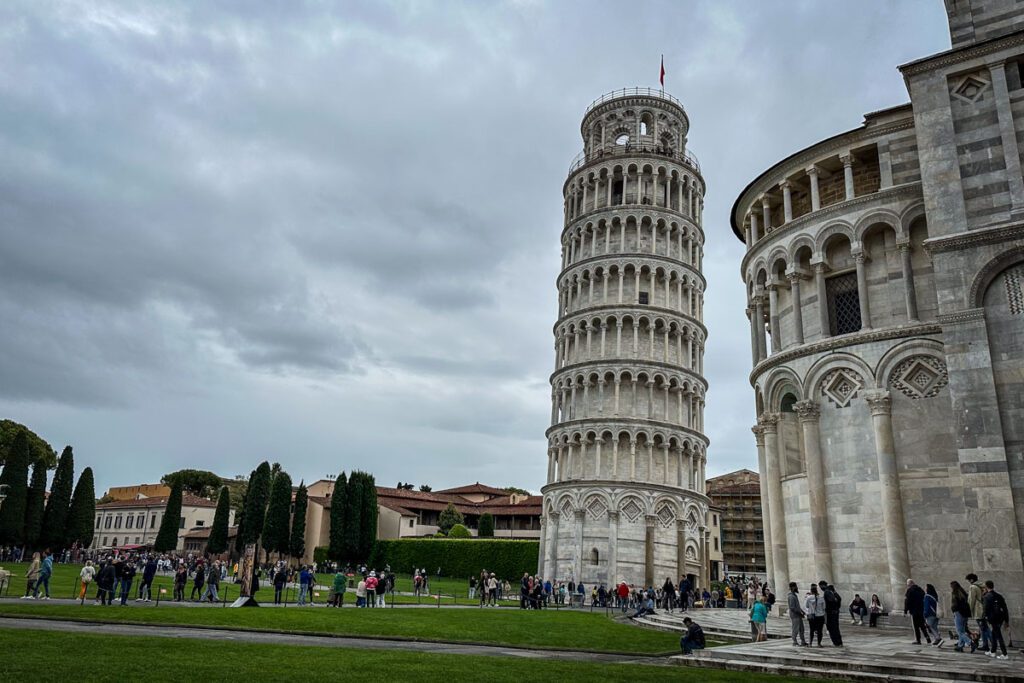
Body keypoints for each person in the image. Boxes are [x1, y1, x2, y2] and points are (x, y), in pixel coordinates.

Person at [982, 580, 1010, 660]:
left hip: (993, 619)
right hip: (1000, 618)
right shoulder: (999, 596)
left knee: (998, 636)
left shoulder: (987, 596)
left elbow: (985, 609)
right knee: (994, 634)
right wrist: (1006, 620)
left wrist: (986, 618)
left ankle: (1005, 654)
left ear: (986, 587)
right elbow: (1005, 608)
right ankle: (993, 651)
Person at [967, 573, 991, 654]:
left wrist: (969, 610)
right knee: (984, 628)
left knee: (984, 629)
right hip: (984, 609)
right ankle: (986, 644)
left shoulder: (973, 587)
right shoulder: (982, 586)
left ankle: (989, 644)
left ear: (971, 580)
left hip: (978, 610)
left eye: (968, 580)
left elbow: (971, 600)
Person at [904, 579, 931, 645]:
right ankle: (927, 637)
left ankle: (918, 640)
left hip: (914, 611)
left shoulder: (910, 590)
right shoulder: (920, 590)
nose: (907, 586)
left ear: (909, 584)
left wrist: (905, 610)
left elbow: (907, 601)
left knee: (916, 626)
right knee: (922, 625)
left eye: (908, 584)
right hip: (921, 610)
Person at [950, 581, 974, 653]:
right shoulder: (963, 593)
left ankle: (970, 643)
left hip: (959, 613)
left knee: (959, 631)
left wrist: (953, 610)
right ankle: (960, 646)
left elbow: (955, 605)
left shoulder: (955, 594)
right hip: (965, 614)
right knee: (962, 631)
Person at [820, 581, 843, 646]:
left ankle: (836, 642)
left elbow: (832, 600)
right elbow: (839, 599)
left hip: (831, 613)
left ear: (822, 585)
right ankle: (839, 642)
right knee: (836, 628)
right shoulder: (832, 591)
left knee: (831, 628)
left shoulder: (827, 592)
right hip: (835, 612)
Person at [788, 582, 808, 647]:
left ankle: (803, 641)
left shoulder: (794, 595)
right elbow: (792, 607)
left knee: (801, 629)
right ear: (793, 587)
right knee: (795, 628)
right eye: (795, 586)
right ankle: (794, 641)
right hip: (795, 615)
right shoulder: (791, 596)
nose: (797, 588)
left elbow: (797, 606)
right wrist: (800, 613)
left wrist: (802, 611)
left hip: (798, 615)